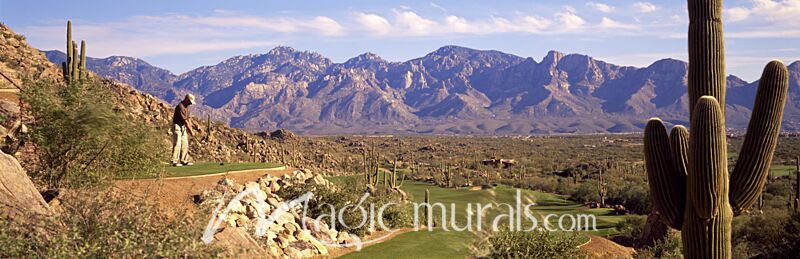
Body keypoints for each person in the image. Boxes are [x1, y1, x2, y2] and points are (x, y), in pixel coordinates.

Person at [171, 94, 195, 166]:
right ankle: (174, 161)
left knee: (185, 144)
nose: (190, 104)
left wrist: (191, 128)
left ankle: (184, 160)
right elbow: (185, 121)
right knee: (177, 144)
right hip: (177, 126)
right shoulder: (180, 107)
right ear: (186, 100)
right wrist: (190, 131)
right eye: (190, 102)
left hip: (183, 127)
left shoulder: (186, 107)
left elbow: (189, 119)